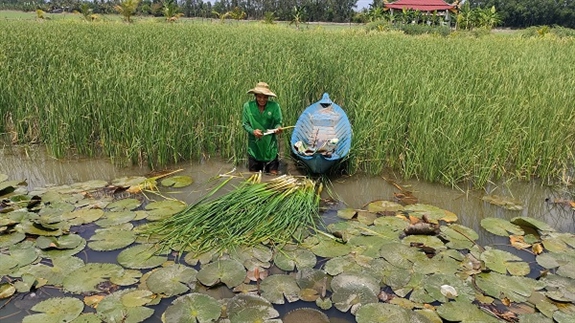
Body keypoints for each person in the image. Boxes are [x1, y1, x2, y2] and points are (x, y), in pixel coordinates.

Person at [242, 82, 283, 175]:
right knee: (253, 176)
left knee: (273, 176)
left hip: (270, 147)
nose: (262, 99)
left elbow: (277, 123)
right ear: (255, 96)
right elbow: (245, 124)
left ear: (268, 97)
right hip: (254, 147)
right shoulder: (248, 106)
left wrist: (278, 129)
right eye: (259, 97)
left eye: (265, 97)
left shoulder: (275, 106)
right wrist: (253, 131)